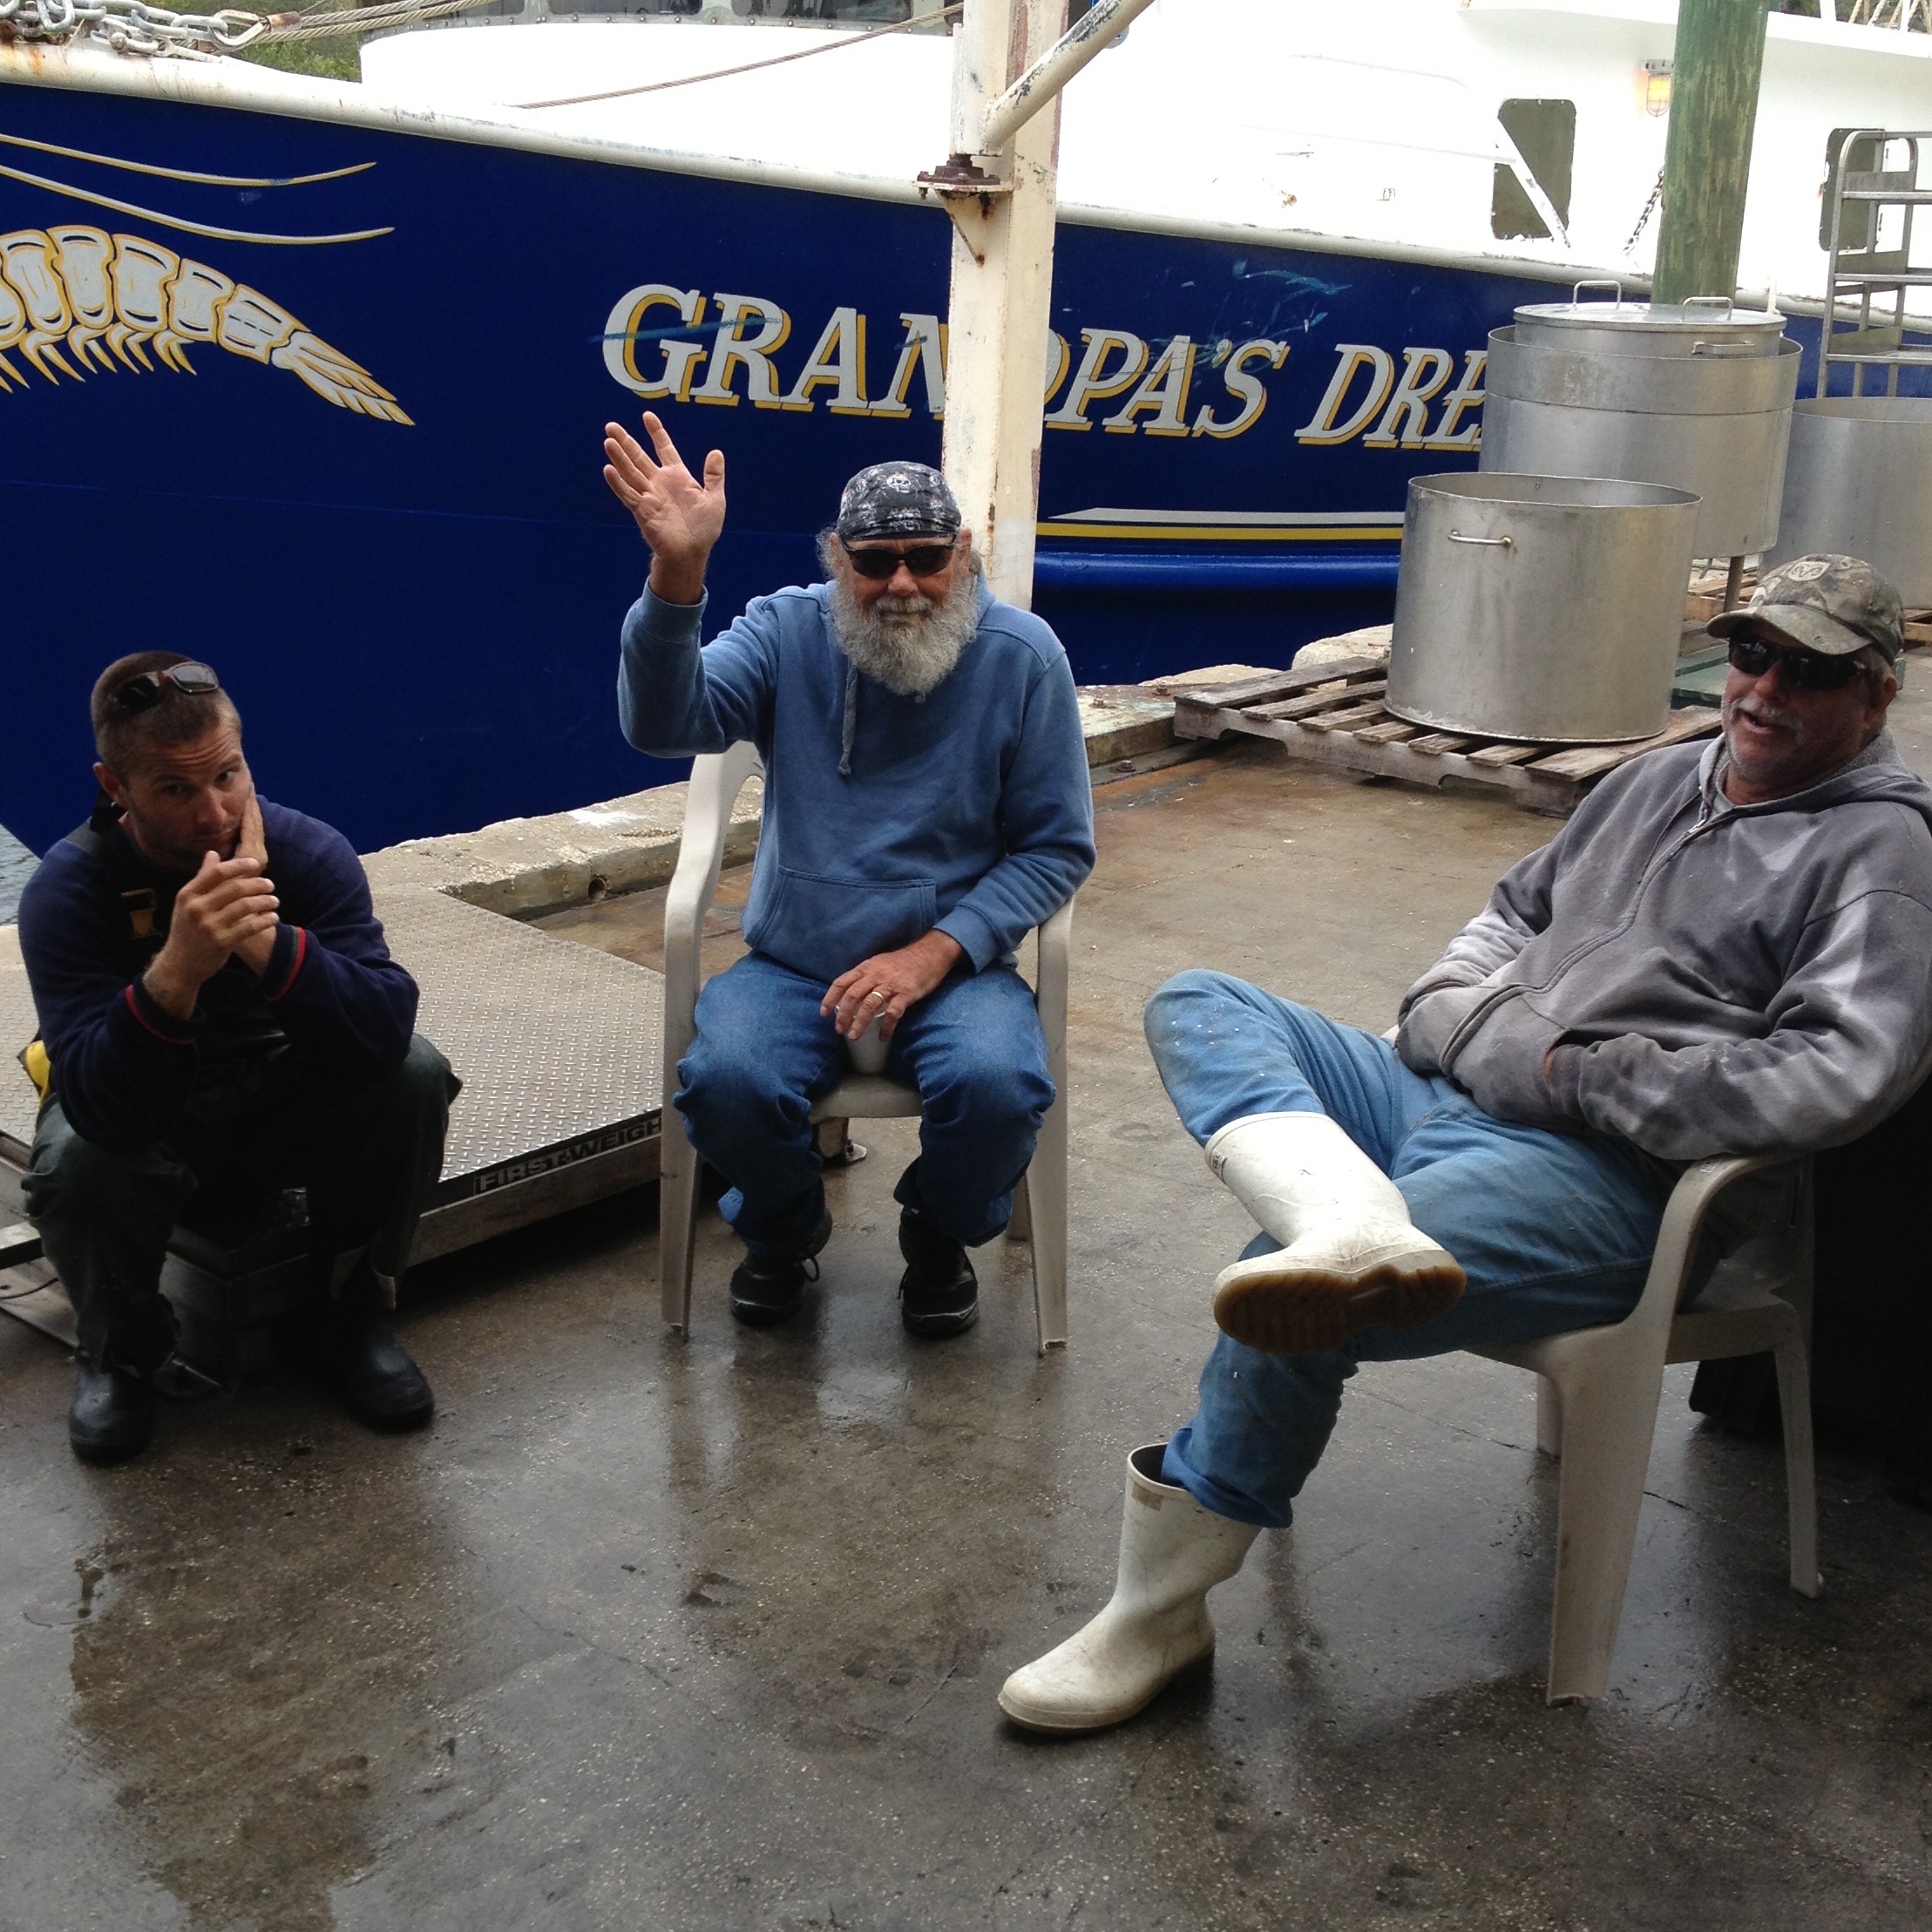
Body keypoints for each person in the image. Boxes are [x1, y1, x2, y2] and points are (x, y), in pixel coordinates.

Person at [998, 553, 1932, 1732]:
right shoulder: (1663, 777)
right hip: (1445, 1086)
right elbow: (1508, 916)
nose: (1765, 689)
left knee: (1291, 1292)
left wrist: (1578, 1076)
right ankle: (1348, 1218)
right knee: (1202, 1001)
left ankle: (1158, 1610)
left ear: (1876, 695)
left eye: (1812, 671)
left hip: (1605, 1175)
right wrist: (1456, 1017)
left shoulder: (1882, 856)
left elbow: (1838, 1075)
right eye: (1752, 652)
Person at [605, 414, 1095, 1334]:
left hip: (954, 969)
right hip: (795, 961)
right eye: (874, 562)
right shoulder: (783, 629)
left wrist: (935, 952)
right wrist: (678, 575)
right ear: (838, 561)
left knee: (999, 1089)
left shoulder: (1026, 656)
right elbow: (664, 727)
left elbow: (1056, 846)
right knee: (724, 1080)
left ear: (962, 554)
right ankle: (783, 1232)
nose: (902, 583)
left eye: (926, 558)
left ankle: (937, 1231)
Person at [17, 653, 457, 1464]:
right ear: (116, 787)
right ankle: (122, 1352)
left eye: (227, 775)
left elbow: (383, 1031)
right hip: (153, 1123)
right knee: (75, 1159)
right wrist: (177, 971)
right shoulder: (70, 890)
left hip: (274, 1106)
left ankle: (347, 1318)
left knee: (414, 1074)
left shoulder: (306, 853)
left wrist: (265, 941)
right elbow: (97, 1103)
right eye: (175, 789)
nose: (214, 812)